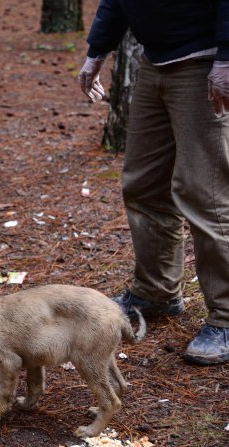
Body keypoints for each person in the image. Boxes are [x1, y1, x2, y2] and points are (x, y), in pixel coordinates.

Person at [78, 0, 229, 365]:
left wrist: (226, 59)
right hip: (155, 62)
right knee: (144, 185)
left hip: (204, 64)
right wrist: (97, 51)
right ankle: (157, 291)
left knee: (205, 195)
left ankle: (225, 317)